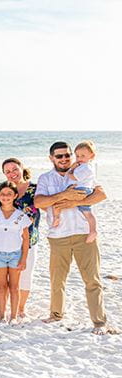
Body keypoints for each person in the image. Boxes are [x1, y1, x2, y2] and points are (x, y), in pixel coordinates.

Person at [33, 141, 115, 334]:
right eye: (59, 156)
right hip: (58, 236)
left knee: (92, 280)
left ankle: (99, 322)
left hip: (84, 234)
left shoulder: (84, 172)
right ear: (51, 158)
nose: (64, 159)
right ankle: (56, 314)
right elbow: (39, 202)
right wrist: (66, 195)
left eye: (67, 155)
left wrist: (69, 202)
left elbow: (101, 194)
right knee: (57, 279)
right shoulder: (45, 178)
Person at [0, 158, 40, 318]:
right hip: (4, 242)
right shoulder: (0, 189)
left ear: (22, 168)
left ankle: (20, 308)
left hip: (29, 240)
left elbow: (47, 204)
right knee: (3, 282)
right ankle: (4, 310)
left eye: (15, 169)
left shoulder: (35, 189)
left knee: (24, 276)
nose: (12, 174)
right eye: (8, 171)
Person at [0, 182, 30, 322]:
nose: (6, 197)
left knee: (14, 287)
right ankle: (2, 314)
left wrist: (23, 259)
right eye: (3, 194)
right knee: (1, 286)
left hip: (15, 255)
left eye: (9, 194)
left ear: (15, 196)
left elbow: (26, 240)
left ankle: (13, 316)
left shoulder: (21, 216)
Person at [52, 140, 98, 243]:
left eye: (83, 156)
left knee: (58, 202)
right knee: (87, 213)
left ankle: (56, 218)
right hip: (85, 190)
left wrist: (70, 171)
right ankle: (93, 230)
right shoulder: (85, 166)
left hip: (81, 190)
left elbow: (74, 177)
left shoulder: (86, 167)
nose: (79, 159)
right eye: (77, 156)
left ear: (92, 156)